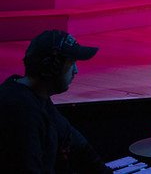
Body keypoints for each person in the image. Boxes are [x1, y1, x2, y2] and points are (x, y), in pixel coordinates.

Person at [0, 29, 113, 173]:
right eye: (72, 63)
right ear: (52, 67)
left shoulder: (35, 96)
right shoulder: (21, 112)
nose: (76, 71)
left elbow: (74, 140)